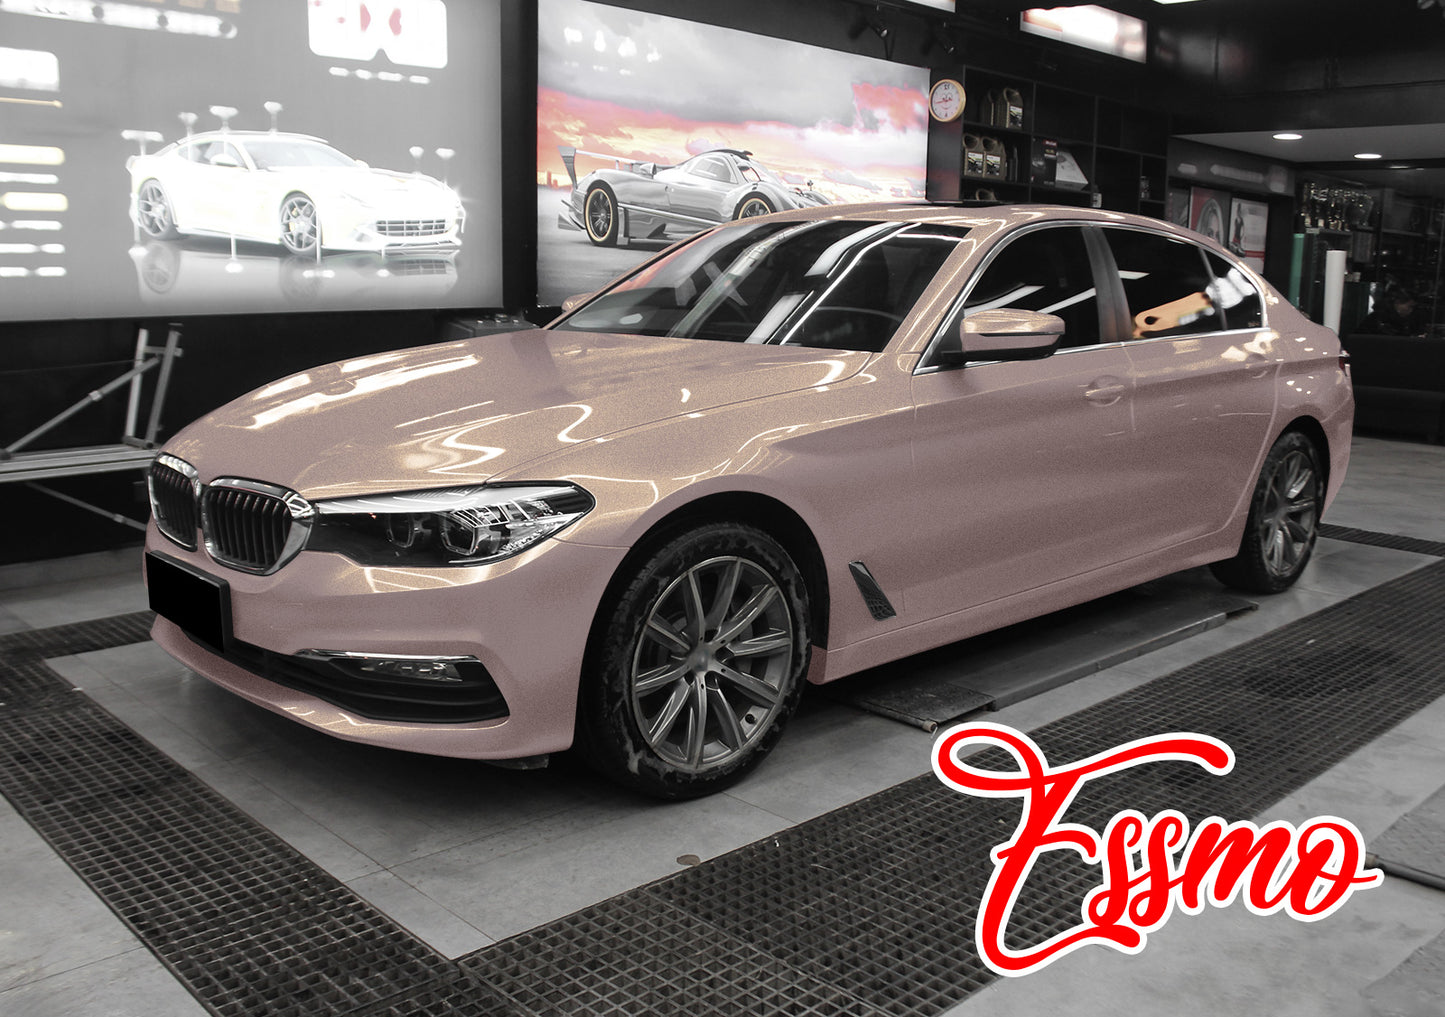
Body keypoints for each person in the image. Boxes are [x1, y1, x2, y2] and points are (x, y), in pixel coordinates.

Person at [1354, 288, 1426, 336]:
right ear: (1398, 303)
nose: (1411, 310)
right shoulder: (1378, 319)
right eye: (1410, 306)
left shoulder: (1407, 321)